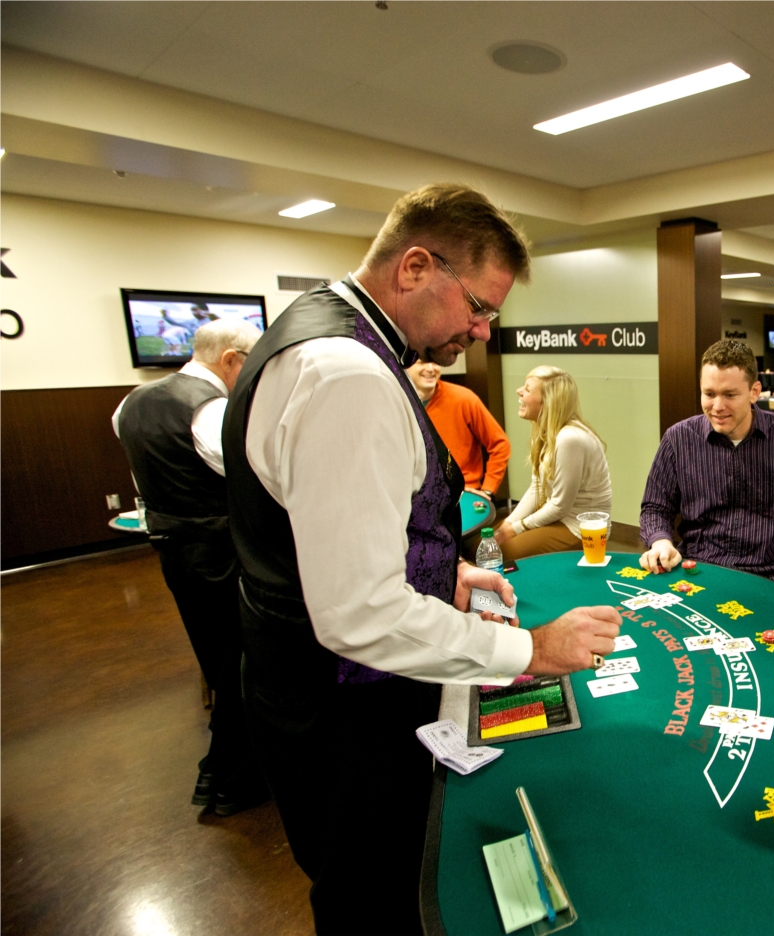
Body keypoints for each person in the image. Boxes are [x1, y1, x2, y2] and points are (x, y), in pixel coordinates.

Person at [223, 183, 620, 935]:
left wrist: (446, 571)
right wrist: (529, 647)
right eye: (477, 307)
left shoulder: (317, 330)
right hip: (337, 705)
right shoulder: (350, 375)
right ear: (413, 268)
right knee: (371, 894)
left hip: (295, 675)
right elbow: (359, 611)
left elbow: (334, 531)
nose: (480, 330)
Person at [112, 317, 266, 816]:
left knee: (217, 660)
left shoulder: (130, 404)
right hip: (222, 554)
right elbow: (255, 482)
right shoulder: (212, 411)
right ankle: (229, 779)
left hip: (173, 553)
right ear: (230, 360)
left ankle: (218, 775)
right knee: (245, 664)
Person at [639, 338, 774, 586]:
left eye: (730, 395)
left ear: (754, 392)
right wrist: (661, 540)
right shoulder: (678, 438)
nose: (718, 406)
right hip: (697, 570)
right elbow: (655, 506)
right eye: (709, 394)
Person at [497, 366, 611, 563]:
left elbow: (560, 506)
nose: (519, 391)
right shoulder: (543, 432)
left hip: (579, 528)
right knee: (483, 544)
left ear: (548, 402)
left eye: (528, 389)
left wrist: (516, 528)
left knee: (498, 553)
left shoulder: (569, 438)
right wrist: (508, 523)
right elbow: (537, 488)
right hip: (559, 519)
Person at [406, 358, 511, 500]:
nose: (431, 368)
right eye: (423, 362)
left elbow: (500, 444)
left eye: (435, 362)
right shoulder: (400, 400)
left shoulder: (464, 399)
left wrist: (488, 490)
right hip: (414, 497)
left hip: (462, 497)